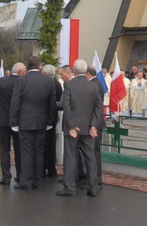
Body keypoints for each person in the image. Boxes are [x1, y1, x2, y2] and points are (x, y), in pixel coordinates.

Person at [56, 60, 103, 198]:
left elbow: (67, 106)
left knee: (70, 157)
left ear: (74, 71)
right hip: (88, 128)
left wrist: (71, 125)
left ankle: (69, 187)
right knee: (90, 157)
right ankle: (92, 187)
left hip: (73, 128)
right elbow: (98, 107)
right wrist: (93, 125)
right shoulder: (93, 86)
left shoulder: (69, 85)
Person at [9, 56, 56, 191]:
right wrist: (49, 121)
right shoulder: (48, 81)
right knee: (39, 152)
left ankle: (26, 182)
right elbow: (52, 104)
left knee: (26, 152)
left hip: (24, 121)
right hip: (42, 121)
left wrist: (14, 122)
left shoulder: (21, 80)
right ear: (40, 66)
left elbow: (15, 103)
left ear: (27, 66)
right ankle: (38, 181)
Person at [0, 61, 25, 185]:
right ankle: (20, 174)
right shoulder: (22, 82)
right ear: (20, 72)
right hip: (18, 120)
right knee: (18, 149)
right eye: (24, 72)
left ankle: (6, 176)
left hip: (2, 118)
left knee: (4, 149)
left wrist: (3, 110)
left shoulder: (1, 81)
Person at [85, 65, 107, 190]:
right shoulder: (98, 83)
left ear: (88, 74)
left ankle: (96, 180)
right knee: (94, 152)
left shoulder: (94, 84)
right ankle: (95, 179)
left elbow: (95, 105)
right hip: (97, 122)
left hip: (95, 123)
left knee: (94, 153)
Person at [42, 63, 63, 179]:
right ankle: (51, 168)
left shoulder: (46, 84)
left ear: (45, 73)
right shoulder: (58, 84)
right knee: (51, 143)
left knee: (44, 144)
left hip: (44, 117)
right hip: (54, 117)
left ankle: (44, 167)